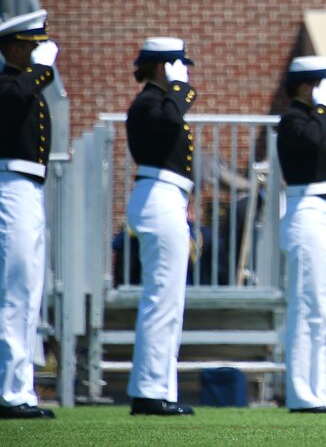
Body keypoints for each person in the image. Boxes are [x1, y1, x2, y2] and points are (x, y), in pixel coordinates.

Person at [0, 10, 57, 420]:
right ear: (15, 48)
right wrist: (42, 71)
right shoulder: (6, 83)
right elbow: (19, 95)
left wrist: (40, 74)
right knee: (11, 294)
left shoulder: (23, 84)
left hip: (29, 190)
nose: (39, 53)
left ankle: (21, 390)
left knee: (29, 294)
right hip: (11, 189)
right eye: (32, 46)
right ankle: (3, 394)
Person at [125, 37, 198, 416]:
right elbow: (170, 120)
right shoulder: (151, 103)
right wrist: (180, 89)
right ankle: (149, 392)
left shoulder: (160, 102)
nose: (184, 73)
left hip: (168, 196)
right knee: (161, 302)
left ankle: (159, 389)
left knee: (170, 303)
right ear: (161, 67)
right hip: (157, 195)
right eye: (177, 66)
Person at [275, 56, 326, 414]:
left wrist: (321, 111)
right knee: (306, 309)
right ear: (306, 86)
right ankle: (303, 395)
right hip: (306, 211)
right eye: (321, 83)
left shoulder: (312, 118)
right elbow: (312, 138)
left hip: (323, 213)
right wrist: (322, 108)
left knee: (320, 311)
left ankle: (318, 393)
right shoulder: (293, 120)